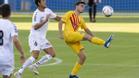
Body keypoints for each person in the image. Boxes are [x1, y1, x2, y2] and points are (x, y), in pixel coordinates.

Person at [58, 1, 112, 78]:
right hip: (69, 35)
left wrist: (94, 38)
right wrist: (60, 33)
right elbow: (61, 21)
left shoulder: (81, 19)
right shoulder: (70, 13)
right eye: (81, 6)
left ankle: (72, 75)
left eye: (84, 6)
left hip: (73, 39)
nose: (83, 7)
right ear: (76, 6)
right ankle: (104, 43)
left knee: (83, 57)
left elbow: (87, 29)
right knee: (86, 36)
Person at [14, 0, 61, 78]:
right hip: (35, 36)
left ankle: (35, 65)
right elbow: (35, 27)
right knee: (35, 55)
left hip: (42, 38)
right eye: (43, 1)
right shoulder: (36, 13)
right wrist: (45, 21)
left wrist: (68, 18)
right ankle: (19, 72)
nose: (45, 2)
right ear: (39, 3)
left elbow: (58, 18)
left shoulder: (48, 11)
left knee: (52, 54)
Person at [0, 4, 25, 78]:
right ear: (10, 13)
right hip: (7, 58)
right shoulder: (12, 25)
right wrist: (22, 54)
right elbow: (15, 40)